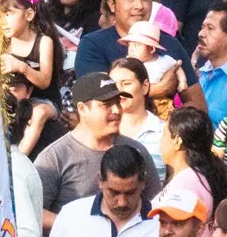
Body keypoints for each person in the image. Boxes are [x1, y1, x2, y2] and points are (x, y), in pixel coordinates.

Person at [35, 72, 162, 230]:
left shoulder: (136, 151)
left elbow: (156, 204)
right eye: (106, 104)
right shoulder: (54, 158)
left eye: (118, 102)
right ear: (82, 109)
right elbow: (32, 213)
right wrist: (80, 226)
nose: (116, 110)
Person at [75, 0, 205, 113]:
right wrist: (158, 89)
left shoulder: (169, 43)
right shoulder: (93, 44)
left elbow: (199, 106)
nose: (139, 6)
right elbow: (99, 102)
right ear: (112, 5)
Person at [0, 0, 62, 154]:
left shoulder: (43, 42)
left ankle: (19, 159)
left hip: (43, 100)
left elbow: (44, 82)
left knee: (38, 113)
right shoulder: (2, 44)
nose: (4, 21)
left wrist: (22, 67)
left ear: (28, 14)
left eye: (9, 14)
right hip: (13, 99)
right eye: (0, 15)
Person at [49, 144, 158, 237]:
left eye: (130, 193)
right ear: (100, 180)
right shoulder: (71, 216)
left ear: (143, 183)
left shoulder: (163, 223)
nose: (122, 202)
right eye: (114, 192)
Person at [160, 107, 227, 219]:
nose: (160, 140)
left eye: (164, 134)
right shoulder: (198, 176)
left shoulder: (185, 183)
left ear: (177, 141)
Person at [111, 57, 167, 179]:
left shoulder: (164, 132)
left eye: (126, 84)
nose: (119, 90)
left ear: (144, 86)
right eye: (114, 85)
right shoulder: (104, 132)